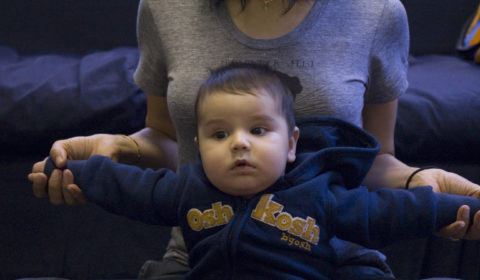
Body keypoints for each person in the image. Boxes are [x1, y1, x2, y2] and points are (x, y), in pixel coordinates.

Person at [28, 0, 480, 278]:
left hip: (339, 261)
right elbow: (166, 138)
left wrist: (430, 190)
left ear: (292, 141)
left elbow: (375, 161)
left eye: (258, 131)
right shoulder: (165, 7)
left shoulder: (376, 12)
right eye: (225, 134)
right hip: (199, 254)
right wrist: (110, 155)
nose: (241, 143)